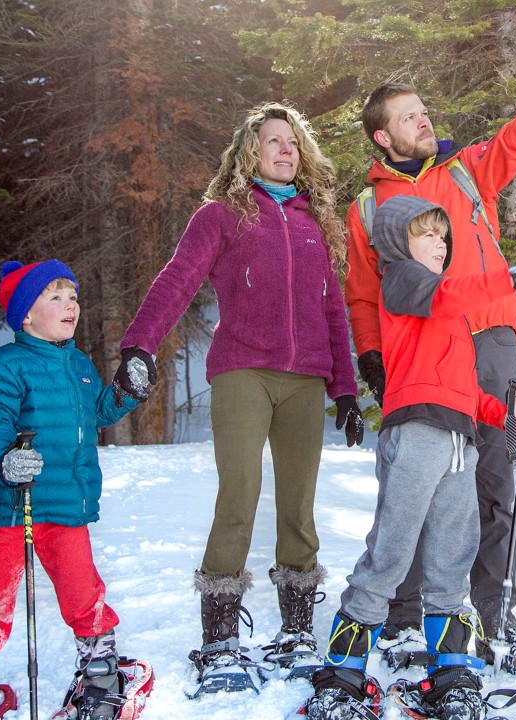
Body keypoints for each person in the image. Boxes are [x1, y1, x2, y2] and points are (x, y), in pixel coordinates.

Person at [343, 19, 516, 669]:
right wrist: (372, 356)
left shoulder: (463, 172)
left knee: (493, 477)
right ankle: (403, 619)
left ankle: (487, 618)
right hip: (419, 355)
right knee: (414, 483)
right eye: (410, 117)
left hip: (488, 337)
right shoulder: (366, 210)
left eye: (424, 111)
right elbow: (361, 292)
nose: (424, 121)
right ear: (383, 135)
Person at [115, 102, 365, 695]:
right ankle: (221, 637)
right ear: (248, 152)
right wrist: (139, 347)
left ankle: (298, 630)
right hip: (242, 372)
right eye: (272, 141)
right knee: (240, 494)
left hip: (305, 379)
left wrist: (346, 390)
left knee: (300, 503)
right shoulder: (222, 216)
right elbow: (177, 279)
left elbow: (333, 310)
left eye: (292, 142)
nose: (284, 150)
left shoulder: (315, 223)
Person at [305, 196, 516, 720]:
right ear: (399, 242)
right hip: (417, 436)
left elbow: (464, 392)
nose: (440, 243)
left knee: (453, 554)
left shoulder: (451, 319)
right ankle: (342, 671)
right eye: (427, 233)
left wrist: (508, 411)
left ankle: (450, 670)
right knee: (393, 552)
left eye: (443, 236)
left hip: (457, 444)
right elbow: (446, 294)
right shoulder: (401, 280)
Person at [0, 259, 147, 720]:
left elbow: (97, 415)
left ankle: (100, 673)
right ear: (25, 316)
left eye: (72, 297)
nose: (70, 305)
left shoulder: (80, 364)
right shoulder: (4, 365)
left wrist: (124, 393)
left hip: (66, 507)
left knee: (82, 591)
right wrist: (5, 457)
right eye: (55, 297)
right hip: (12, 507)